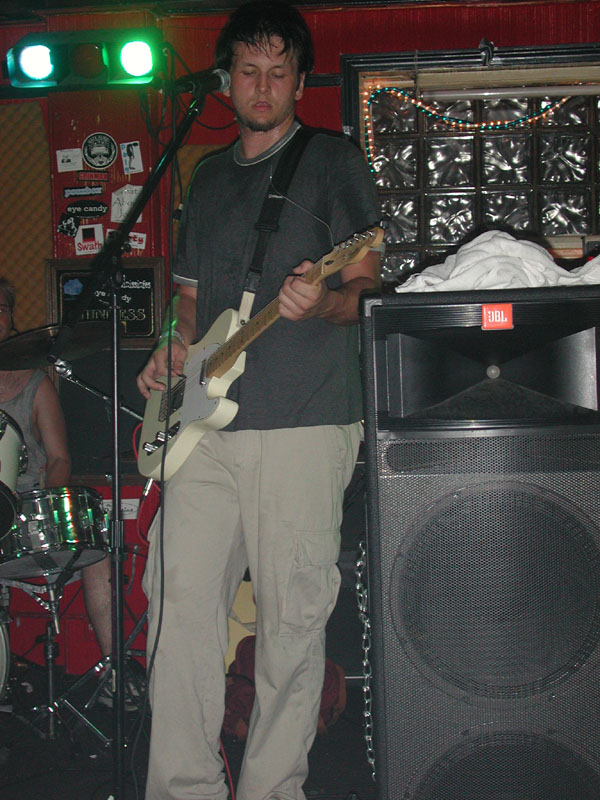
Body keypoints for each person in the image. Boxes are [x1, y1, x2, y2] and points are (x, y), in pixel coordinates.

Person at [137, 2, 382, 797]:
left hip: (303, 420)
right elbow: (188, 302)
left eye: (280, 73)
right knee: (176, 603)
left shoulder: (333, 160)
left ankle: (273, 788)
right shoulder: (208, 178)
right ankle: (184, 786)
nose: (265, 86)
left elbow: (365, 287)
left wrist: (326, 300)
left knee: (290, 620)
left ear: (301, 81)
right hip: (205, 425)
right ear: (226, 80)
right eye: (250, 71)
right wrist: (172, 348)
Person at [0, 278, 112, 664]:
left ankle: (114, 669)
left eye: (1, 310)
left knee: (97, 552)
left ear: (11, 319)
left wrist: (43, 511)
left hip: (27, 508)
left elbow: (59, 459)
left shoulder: (35, 383)